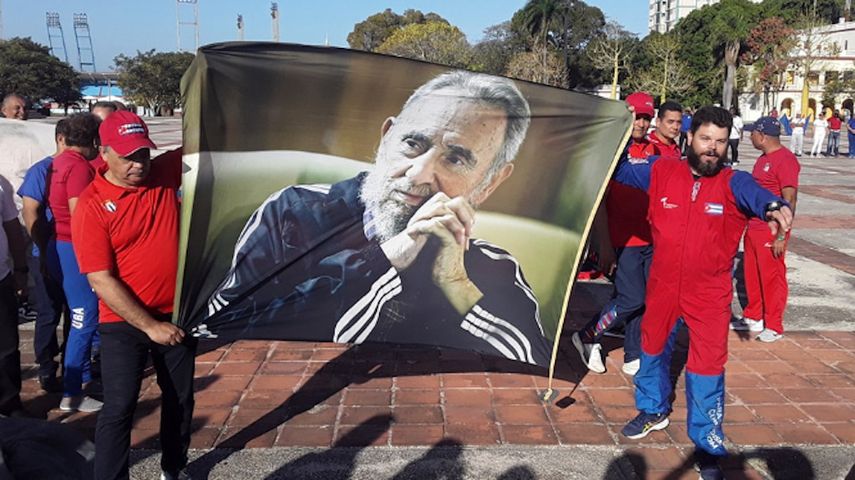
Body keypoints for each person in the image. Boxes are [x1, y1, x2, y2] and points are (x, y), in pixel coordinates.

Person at [195, 71, 552, 366]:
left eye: (456, 159)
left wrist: (457, 284)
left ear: (489, 183)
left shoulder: (491, 266)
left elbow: (530, 355)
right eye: (413, 144)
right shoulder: (293, 213)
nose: (419, 174)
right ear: (386, 138)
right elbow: (222, 320)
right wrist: (386, 259)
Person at [612, 106, 793, 479]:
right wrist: (606, 133)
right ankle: (652, 409)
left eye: (721, 142)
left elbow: (758, 195)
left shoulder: (732, 183)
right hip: (661, 285)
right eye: (706, 139)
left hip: (709, 294)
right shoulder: (662, 170)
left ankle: (708, 442)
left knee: (707, 366)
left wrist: (774, 206)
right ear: (690, 138)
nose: (712, 148)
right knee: (651, 347)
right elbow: (618, 171)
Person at [71, 111, 192, 480]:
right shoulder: (91, 204)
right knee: (120, 406)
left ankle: (173, 468)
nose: (138, 164)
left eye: (143, 154)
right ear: (103, 153)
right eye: (127, 156)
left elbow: (209, 146)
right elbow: (101, 279)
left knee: (180, 401)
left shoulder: (164, 172)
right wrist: (150, 325)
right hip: (123, 320)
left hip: (177, 313)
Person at [571, 92, 660, 376]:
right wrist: (604, 245)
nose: (642, 123)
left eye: (647, 117)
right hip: (622, 240)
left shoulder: (654, 150)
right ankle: (587, 335)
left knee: (642, 297)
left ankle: (633, 353)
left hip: (649, 238)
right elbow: (598, 204)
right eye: (637, 117)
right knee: (631, 298)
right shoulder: (610, 151)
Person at [47, 113, 102, 412]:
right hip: (76, 248)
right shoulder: (79, 168)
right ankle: (72, 393)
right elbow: (80, 213)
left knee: (79, 318)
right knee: (84, 319)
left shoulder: (58, 163)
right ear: (94, 141)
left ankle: (79, 380)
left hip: (62, 245)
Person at [732, 117, 800, 343]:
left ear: (762, 135)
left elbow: (790, 199)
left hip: (772, 228)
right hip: (754, 226)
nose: (749, 137)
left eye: (752, 133)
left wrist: (782, 234)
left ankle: (774, 324)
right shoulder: (763, 160)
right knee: (751, 273)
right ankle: (754, 315)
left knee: (772, 276)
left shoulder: (785, 160)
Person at [17, 120, 72, 393]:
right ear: (61, 139)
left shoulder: (82, 168)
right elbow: (31, 212)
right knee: (48, 312)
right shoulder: (41, 170)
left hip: (74, 253)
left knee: (77, 313)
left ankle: (74, 364)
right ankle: (47, 367)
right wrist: (43, 253)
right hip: (47, 253)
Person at [0, 173, 29, 418]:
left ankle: (10, 405)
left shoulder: (1, 183)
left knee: (7, 345)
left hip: (1, 278)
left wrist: (20, 268)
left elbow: (12, 228)